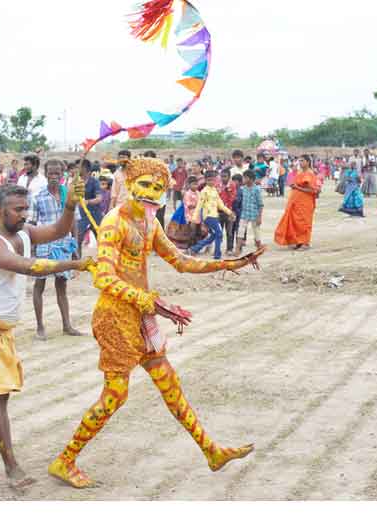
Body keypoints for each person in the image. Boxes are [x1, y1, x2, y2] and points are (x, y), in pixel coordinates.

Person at [47, 157, 265, 489]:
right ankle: (65, 460)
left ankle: (212, 451)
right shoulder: (114, 222)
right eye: (145, 185)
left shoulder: (150, 224)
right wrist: (149, 301)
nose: (151, 193)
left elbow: (179, 260)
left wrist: (229, 263)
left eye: (158, 188)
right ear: (131, 184)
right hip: (115, 318)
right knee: (115, 396)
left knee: (169, 383)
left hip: (140, 316)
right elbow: (103, 278)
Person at [0, 183, 95, 489]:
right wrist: (74, 264)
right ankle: (12, 468)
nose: (24, 215)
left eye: (26, 209)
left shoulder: (22, 233)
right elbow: (29, 267)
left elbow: (56, 230)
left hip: (1, 327)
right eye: (18, 209)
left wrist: (70, 206)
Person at [31, 159, 83, 340]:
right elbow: (31, 224)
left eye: (57, 174)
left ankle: (67, 325)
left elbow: (74, 221)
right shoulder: (37, 197)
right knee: (40, 284)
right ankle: (39, 327)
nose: (53, 177)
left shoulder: (68, 195)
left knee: (62, 285)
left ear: (62, 175)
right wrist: (32, 249)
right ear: (45, 174)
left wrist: (75, 246)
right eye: (50, 173)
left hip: (63, 244)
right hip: (44, 244)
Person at [274, 154, 318, 251]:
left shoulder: (310, 173)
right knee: (295, 222)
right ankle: (298, 241)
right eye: (299, 161)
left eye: (302, 161)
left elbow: (313, 191)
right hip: (295, 202)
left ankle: (305, 243)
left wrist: (297, 187)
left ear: (308, 162)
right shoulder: (299, 172)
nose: (300, 163)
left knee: (304, 222)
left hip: (305, 203)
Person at [189, 171, 234, 260]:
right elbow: (199, 205)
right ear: (205, 180)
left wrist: (230, 212)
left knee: (214, 235)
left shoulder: (215, 190)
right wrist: (194, 219)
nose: (211, 182)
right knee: (219, 234)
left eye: (213, 180)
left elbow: (220, 205)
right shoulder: (204, 191)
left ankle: (195, 248)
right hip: (208, 217)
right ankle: (217, 254)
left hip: (215, 216)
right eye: (209, 180)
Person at [76, 159, 102, 258]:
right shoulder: (76, 181)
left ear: (86, 168)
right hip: (81, 215)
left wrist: (87, 202)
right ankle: (77, 262)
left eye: (79, 167)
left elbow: (99, 198)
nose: (76, 169)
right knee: (78, 239)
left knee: (100, 238)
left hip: (95, 214)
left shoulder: (94, 182)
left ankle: (103, 260)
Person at [236, 170, 263, 255]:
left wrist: (259, 217)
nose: (243, 179)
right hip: (244, 214)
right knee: (240, 231)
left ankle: (259, 247)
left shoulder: (257, 189)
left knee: (256, 232)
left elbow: (260, 204)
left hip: (254, 214)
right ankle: (237, 249)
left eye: (245, 177)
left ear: (250, 179)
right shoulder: (242, 189)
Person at [216, 168, 238, 255]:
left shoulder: (232, 185)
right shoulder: (218, 185)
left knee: (229, 232)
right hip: (219, 211)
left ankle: (229, 249)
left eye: (225, 176)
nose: (223, 178)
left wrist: (227, 191)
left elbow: (233, 197)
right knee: (219, 231)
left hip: (229, 211)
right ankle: (218, 249)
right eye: (221, 176)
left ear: (229, 177)